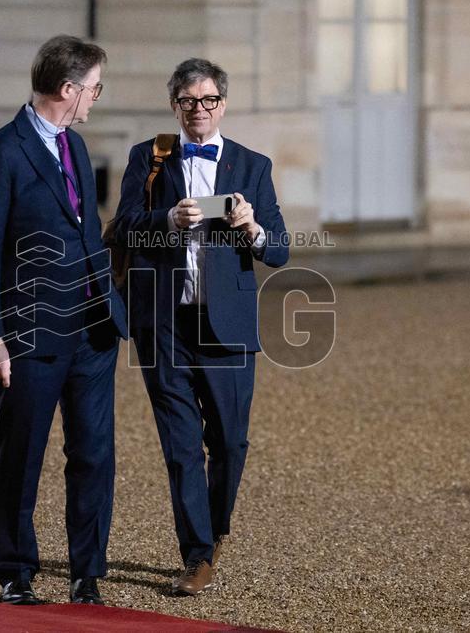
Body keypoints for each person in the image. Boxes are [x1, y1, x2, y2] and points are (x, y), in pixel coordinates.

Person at [112, 58, 289, 596]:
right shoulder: (150, 156)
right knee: (181, 446)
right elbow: (119, 228)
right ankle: (197, 554)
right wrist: (166, 221)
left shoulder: (252, 164)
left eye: (208, 100)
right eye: (188, 101)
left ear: (223, 105)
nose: (198, 111)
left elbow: (279, 250)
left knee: (231, 443)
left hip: (227, 326)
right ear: (174, 106)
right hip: (162, 323)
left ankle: (215, 530)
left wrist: (252, 228)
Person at [0, 35, 127, 606]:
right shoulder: (2, 153)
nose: (96, 99)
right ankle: (15, 571)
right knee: (21, 454)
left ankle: (87, 573)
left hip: (93, 330)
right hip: (29, 336)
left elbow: (86, 228)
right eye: (94, 88)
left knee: (93, 455)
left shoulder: (76, 147)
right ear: (67, 89)